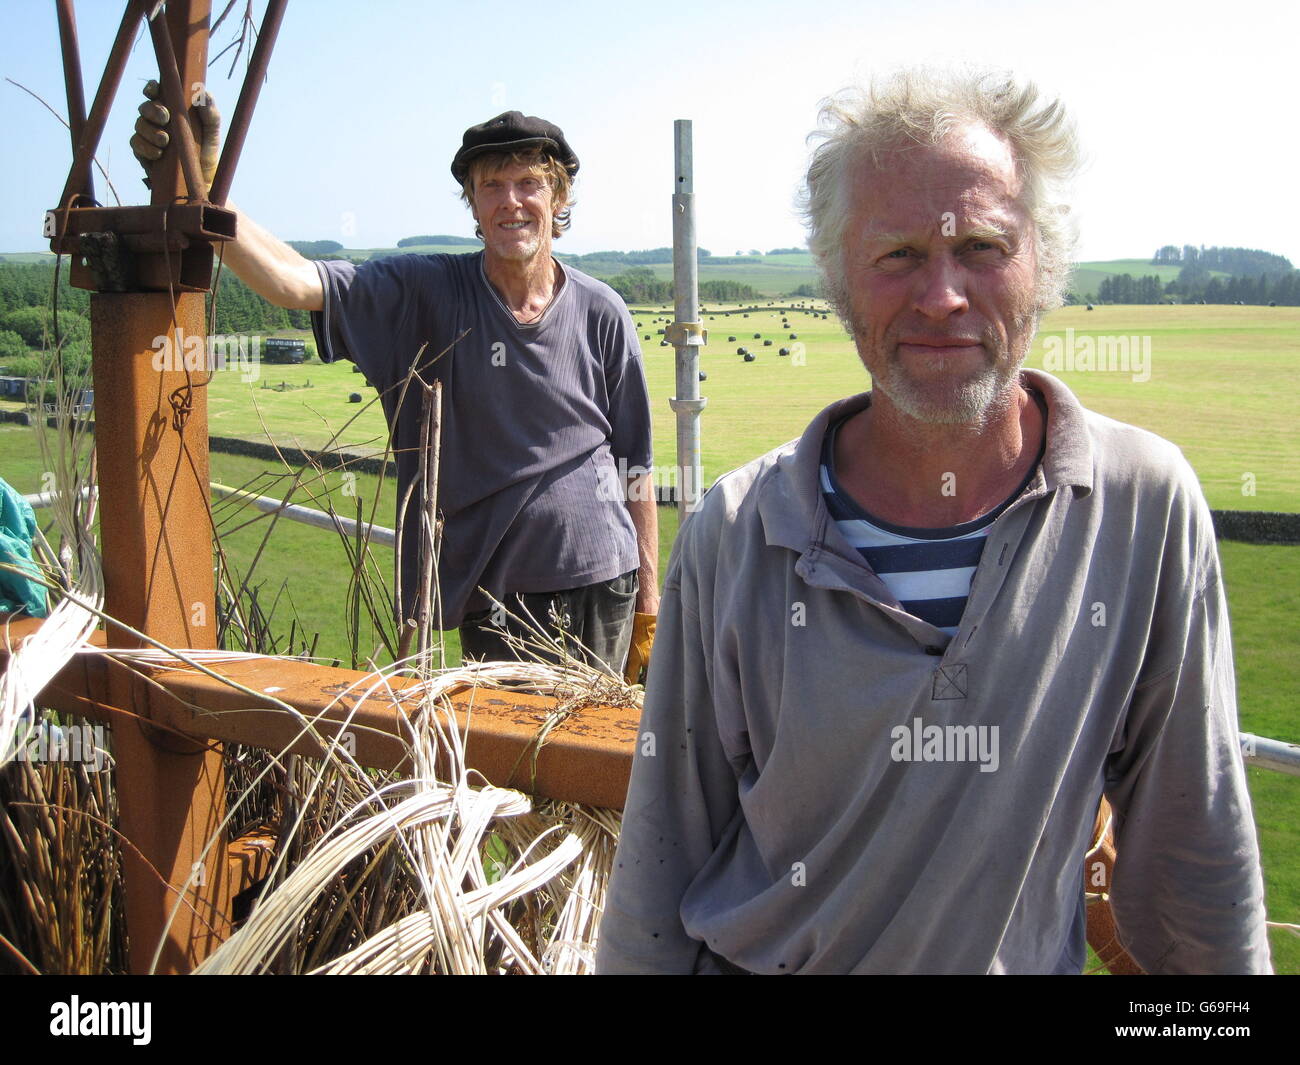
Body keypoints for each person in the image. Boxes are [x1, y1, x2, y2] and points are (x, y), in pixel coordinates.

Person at [596, 68, 1271, 974]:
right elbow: (659, 860)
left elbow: (1199, 862)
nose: (943, 294)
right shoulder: (737, 531)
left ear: (1045, 265)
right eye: (898, 255)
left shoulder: (1143, 507)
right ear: (839, 279)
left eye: (985, 246)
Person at [133, 94, 658, 678]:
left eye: (529, 183)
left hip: (606, 579)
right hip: (501, 599)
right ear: (474, 206)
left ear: (557, 198)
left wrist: (650, 605)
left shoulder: (602, 311)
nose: (510, 202)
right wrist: (208, 193)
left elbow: (634, 461)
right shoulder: (423, 292)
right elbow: (294, 281)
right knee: (513, 765)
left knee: (600, 763)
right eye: (491, 187)